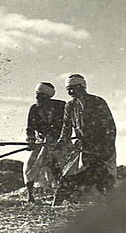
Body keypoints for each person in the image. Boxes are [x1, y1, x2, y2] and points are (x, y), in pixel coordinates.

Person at [53, 74, 117, 205]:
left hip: (101, 147)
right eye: (68, 89)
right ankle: (55, 207)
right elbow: (66, 128)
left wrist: (107, 148)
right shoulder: (70, 106)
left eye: (73, 88)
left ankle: (115, 208)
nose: (70, 92)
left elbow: (110, 127)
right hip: (83, 148)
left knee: (103, 178)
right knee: (66, 177)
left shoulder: (98, 102)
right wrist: (60, 142)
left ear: (82, 87)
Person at [23, 82, 66, 203]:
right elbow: (30, 128)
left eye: (41, 96)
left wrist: (56, 139)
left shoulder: (61, 107)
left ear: (48, 97)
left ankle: (61, 196)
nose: (37, 98)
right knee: (30, 166)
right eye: (37, 94)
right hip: (40, 142)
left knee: (63, 168)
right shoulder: (34, 108)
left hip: (59, 142)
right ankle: (30, 196)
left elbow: (66, 125)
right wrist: (31, 139)